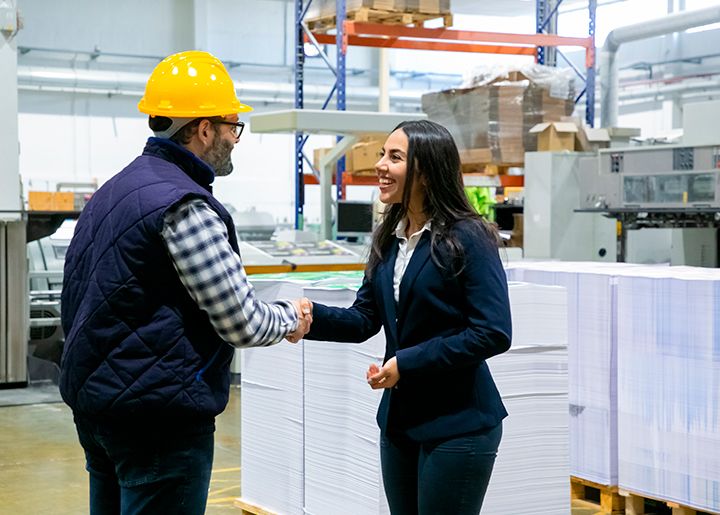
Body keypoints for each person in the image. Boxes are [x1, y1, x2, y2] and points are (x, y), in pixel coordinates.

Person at [59, 50, 311, 515]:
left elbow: (75, 298)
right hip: (159, 418)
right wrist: (290, 317)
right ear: (204, 128)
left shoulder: (113, 191)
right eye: (233, 127)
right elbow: (242, 323)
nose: (236, 139)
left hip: (98, 407)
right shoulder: (185, 206)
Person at [298, 120, 512, 514]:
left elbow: (493, 332)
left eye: (394, 157)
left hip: (458, 424)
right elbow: (365, 318)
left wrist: (406, 363)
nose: (380, 165)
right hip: (400, 422)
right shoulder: (388, 237)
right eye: (382, 154)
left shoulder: (468, 237)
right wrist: (312, 318)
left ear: (427, 172)